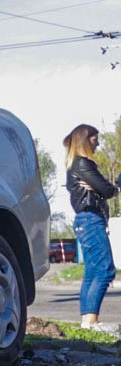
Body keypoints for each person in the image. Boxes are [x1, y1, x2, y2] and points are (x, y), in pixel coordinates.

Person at [65, 123, 120, 331]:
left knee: (92, 273)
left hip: (86, 220)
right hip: (90, 220)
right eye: (95, 139)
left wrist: (108, 187)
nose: (97, 144)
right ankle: (91, 321)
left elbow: (104, 189)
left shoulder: (77, 165)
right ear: (84, 140)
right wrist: (112, 188)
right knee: (105, 271)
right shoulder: (82, 164)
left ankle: (87, 321)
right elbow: (106, 190)